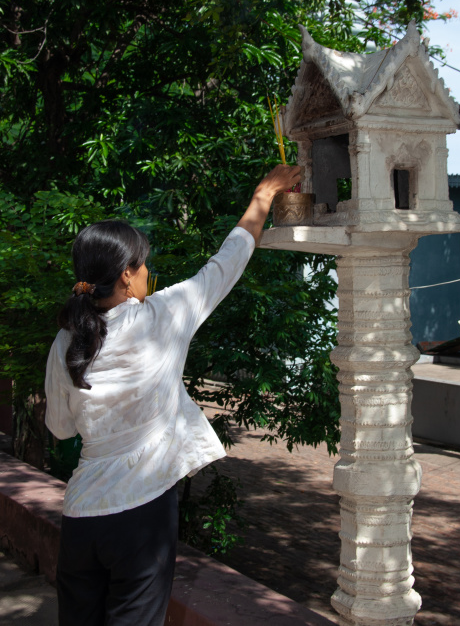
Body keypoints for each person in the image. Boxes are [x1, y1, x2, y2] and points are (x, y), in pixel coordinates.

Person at [45, 163, 301, 626]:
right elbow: (228, 261)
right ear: (126, 275)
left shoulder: (66, 341)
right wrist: (263, 194)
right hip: (141, 513)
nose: (147, 272)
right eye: (142, 264)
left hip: (82, 515)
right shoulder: (163, 317)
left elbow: (61, 430)